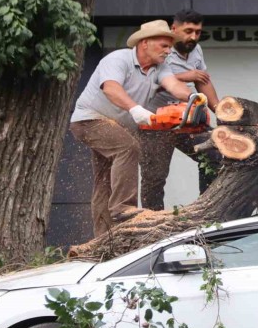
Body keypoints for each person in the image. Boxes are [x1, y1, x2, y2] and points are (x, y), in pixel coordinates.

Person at [70, 20, 195, 236]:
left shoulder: (160, 68)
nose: (168, 51)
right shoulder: (118, 59)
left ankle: (104, 238)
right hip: (89, 120)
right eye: (164, 45)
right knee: (128, 147)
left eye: (169, 46)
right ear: (145, 43)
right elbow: (111, 88)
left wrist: (193, 97)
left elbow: (174, 85)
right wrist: (135, 108)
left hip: (116, 126)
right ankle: (124, 207)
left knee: (105, 181)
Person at [139, 9, 221, 211]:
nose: (193, 37)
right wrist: (187, 75)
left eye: (198, 32)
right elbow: (146, 81)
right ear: (173, 29)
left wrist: (221, 110)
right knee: (155, 179)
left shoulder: (196, 50)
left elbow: (202, 80)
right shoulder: (159, 48)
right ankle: (152, 224)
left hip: (186, 121)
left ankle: (206, 210)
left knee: (216, 152)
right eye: (188, 31)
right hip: (154, 124)